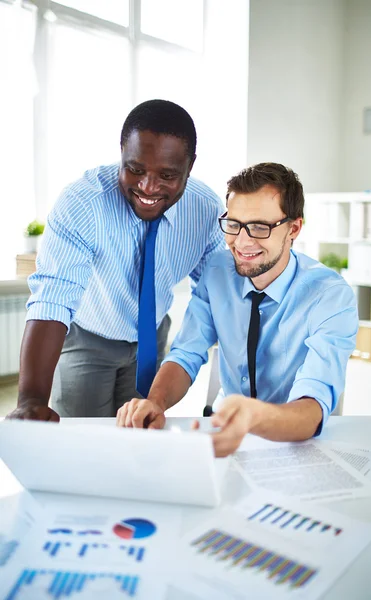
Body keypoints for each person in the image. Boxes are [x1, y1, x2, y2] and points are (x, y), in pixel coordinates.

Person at [116, 162, 358, 456]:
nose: (241, 242)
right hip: (223, 429)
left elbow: (314, 406)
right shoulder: (217, 271)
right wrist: (155, 402)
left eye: (259, 227)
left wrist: (253, 417)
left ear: (293, 228)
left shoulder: (331, 296)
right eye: (234, 224)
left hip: (295, 442)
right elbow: (186, 353)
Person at [7, 99, 225, 421]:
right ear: (122, 150)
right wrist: (30, 399)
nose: (148, 187)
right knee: (83, 442)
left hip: (151, 339)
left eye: (167, 175)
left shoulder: (205, 211)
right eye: (135, 169)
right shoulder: (83, 203)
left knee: (137, 437)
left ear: (190, 166)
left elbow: (217, 294)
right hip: (88, 336)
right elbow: (52, 296)